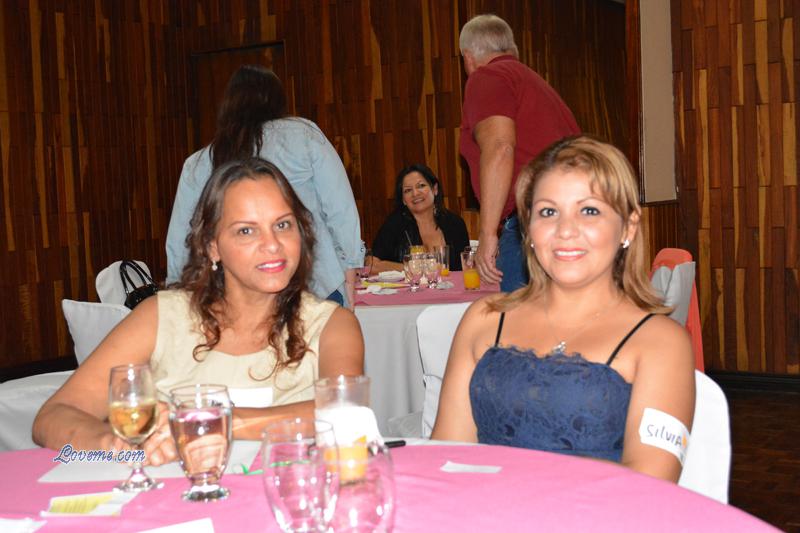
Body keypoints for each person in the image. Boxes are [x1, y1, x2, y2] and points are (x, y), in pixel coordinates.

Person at [34, 158, 364, 465]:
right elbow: (54, 415)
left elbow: (345, 411)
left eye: (283, 224)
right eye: (246, 230)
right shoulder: (160, 316)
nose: (272, 244)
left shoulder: (332, 324)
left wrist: (210, 421)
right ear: (212, 246)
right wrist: (115, 445)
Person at [432, 137, 695, 482]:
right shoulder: (484, 320)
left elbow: (651, 482)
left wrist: (514, 476)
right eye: (548, 212)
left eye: (589, 211)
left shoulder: (662, 342)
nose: (565, 230)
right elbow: (446, 457)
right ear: (528, 230)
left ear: (628, 227)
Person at [166, 65, 362, 307]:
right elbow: (340, 210)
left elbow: (181, 239)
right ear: (278, 101)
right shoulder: (304, 136)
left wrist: (178, 294)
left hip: (234, 295)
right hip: (313, 283)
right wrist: (351, 269)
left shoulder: (199, 163)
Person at [459, 14, 580, 292]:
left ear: (468, 58)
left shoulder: (487, 77)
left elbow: (500, 148)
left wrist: (487, 233)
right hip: (570, 218)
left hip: (532, 221)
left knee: (518, 316)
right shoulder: (535, 84)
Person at [371, 164, 470, 273]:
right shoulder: (395, 224)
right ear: (403, 200)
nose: (415, 193)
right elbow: (372, 264)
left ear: (435, 189)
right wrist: (411, 268)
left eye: (421, 186)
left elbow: (465, 267)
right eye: (408, 190)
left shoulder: (455, 223)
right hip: (409, 284)